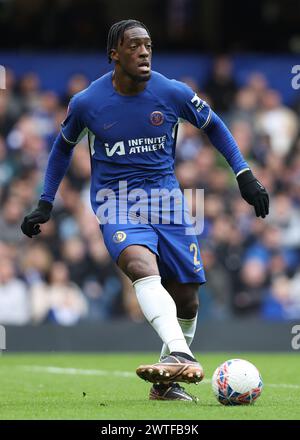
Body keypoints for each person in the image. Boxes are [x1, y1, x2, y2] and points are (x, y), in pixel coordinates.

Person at [21, 19, 269, 401]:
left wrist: (244, 174)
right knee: (140, 265)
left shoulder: (171, 92)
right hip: (115, 201)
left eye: (148, 45)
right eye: (134, 45)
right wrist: (45, 201)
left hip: (167, 201)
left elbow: (215, 125)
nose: (144, 51)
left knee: (187, 297)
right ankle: (181, 353)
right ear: (114, 54)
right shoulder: (88, 102)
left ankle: (165, 384)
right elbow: (62, 148)